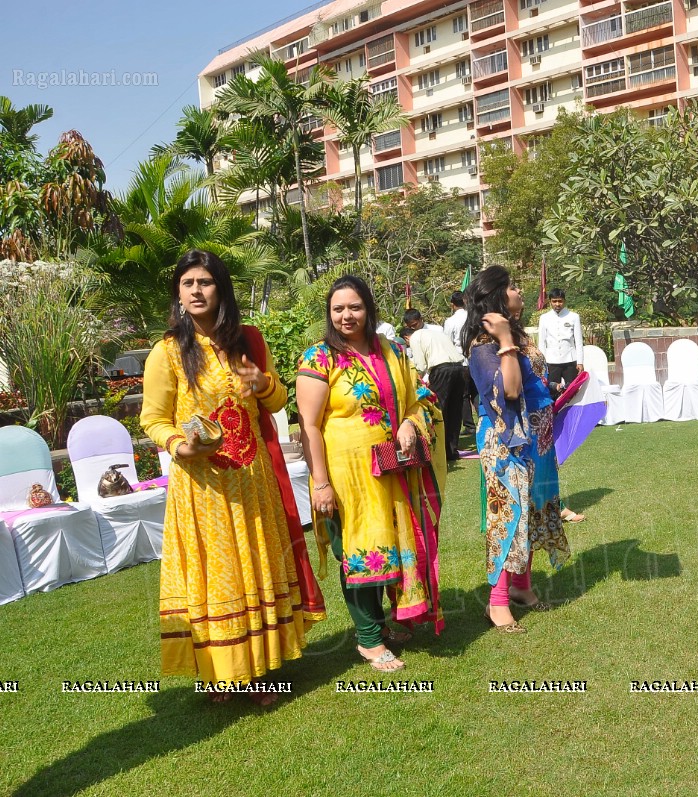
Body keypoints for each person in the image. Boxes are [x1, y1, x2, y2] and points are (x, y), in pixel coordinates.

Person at [141, 249, 325, 702]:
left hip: (251, 478)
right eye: (188, 284)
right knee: (218, 572)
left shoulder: (247, 340)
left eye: (205, 282)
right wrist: (180, 446)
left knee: (256, 567)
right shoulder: (167, 352)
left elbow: (278, 401)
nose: (197, 291)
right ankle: (220, 670)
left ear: (220, 289)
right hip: (202, 485)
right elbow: (153, 418)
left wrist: (262, 383)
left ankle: (259, 669)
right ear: (178, 295)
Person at [296, 275, 446, 672]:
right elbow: (309, 426)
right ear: (329, 314)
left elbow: (422, 399)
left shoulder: (394, 351)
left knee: (393, 545)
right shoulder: (319, 358)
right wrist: (321, 482)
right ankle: (368, 640)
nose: (347, 315)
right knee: (360, 553)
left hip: (393, 468)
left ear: (369, 309)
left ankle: (390, 620)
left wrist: (412, 424)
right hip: (346, 477)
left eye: (355, 307)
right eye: (338, 309)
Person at [463, 266, 571, 633]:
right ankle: (496, 602)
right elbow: (508, 392)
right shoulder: (483, 347)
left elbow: (532, 381)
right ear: (495, 296)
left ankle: (522, 587)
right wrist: (505, 338)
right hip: (505, 442)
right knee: (509, 514)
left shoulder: (519, 336)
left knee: (534, 508)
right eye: (511, 286)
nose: (519, 290)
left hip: (537, 438)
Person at [403, 307, 468, 462]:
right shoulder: (436, 332)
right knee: (454, 410)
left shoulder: (415, 337)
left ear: (406, 337)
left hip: (442, 370)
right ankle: (452, 451)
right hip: (460, 368)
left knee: (439, 410)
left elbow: (420, 366)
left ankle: (439, 451)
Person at [537, 288, 584, 396]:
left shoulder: (573, 317)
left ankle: (572, 413)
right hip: (551, 361)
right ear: (550, 302)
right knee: (552, 392)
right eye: (554, 301)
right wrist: (543, 362)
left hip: (570, 361)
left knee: (572, 392)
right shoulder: (544, 318)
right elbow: (542, 342)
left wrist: (580, 362)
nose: (557, 304)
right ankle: (554, 413)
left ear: (564, 301)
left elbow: (578, 341)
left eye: (560, 301)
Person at [444, 291, 477, 439]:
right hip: (475, 359)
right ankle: (484, 418)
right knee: (476, 392)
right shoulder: (473, 317)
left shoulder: (450, 321)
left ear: (452, 304)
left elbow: (447, 342)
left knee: (463, 395)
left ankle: (469, 425)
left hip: (459, 360)